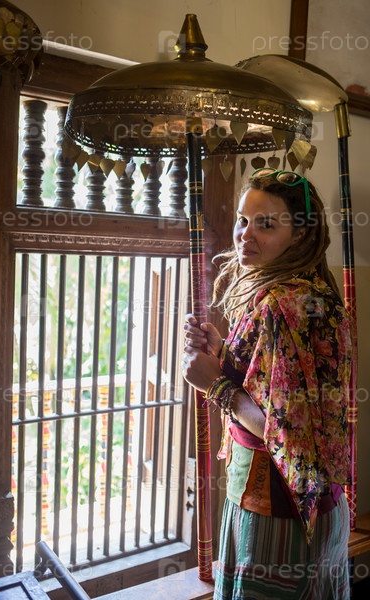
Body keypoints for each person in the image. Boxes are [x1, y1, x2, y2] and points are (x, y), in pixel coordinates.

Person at [182, 168, 352, 599]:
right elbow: (282, 387)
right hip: (318, 505)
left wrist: (215, 385)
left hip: (277, 511)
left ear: (300, 234)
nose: (245, 234)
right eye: (243, 220)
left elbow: (285, 430)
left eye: (266, 224)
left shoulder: (280, 303)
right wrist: (226, 354)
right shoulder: (314, 293)